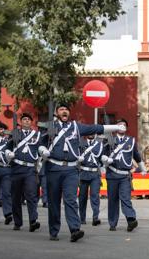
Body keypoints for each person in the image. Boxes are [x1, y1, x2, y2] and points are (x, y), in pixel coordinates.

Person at [39, 103, 124, 242]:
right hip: (54, 168)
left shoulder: (75, 127)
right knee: (53, 202)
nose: (64, 111)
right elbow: (40, 144)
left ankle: (75, 229)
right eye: (61, 109)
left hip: (71, 170)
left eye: (66, 109)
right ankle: (54, 231)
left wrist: (115, 127)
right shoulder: (49, 126)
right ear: (56, 113)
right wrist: (43, 151)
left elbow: (95, 128)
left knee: (71, 200)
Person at [101, 118, 146, 232]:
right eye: (119, 124)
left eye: (124, 125)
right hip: (112, 174)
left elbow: (136, 155)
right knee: (113, 200)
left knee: (126, 198)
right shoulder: (108, 139)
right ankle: (112, 223)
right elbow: (101, 155)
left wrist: (143, 168)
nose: (122, 126)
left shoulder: (131, 140)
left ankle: (131, 220)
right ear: (115, 128)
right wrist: (105, 160)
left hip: (125, 175)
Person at [4, 113, 41, 232]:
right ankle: (18, 222)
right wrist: (8, 154)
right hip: (16, 168)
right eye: (24, 119)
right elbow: (7, 148)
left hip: (30, 169)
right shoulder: (15, 133)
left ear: (31, 122)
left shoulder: (37, 135)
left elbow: (41, 147)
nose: (26, 121)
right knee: (16, 197)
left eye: (28, 120)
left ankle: (33, 221)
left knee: (31, 195)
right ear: (21, 122)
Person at [78, 134, 104, 226]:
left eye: (93, 132)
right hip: (83, 172)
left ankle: (95, 218)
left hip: (94, 174)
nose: (91, 134)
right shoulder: (81, 142)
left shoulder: (99, 144)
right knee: (82, 197)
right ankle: (82, 218)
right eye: (89, 132)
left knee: (95, 196)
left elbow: (101, 158)